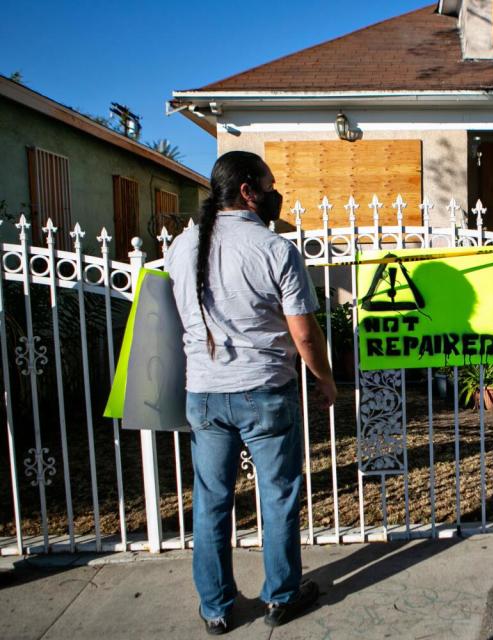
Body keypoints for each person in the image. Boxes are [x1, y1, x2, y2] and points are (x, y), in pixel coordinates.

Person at [166, 151, 337, 634]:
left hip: (203, 392)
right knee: (278, 496)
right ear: (248, 191)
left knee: (212, 499)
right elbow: (304, 334)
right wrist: (324, 379)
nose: (274, 193)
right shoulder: (274, 249)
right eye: (269, 184)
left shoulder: (182, 248)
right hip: (264, 390)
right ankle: (281, 596)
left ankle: (216, 607)